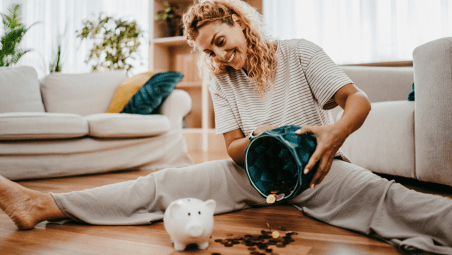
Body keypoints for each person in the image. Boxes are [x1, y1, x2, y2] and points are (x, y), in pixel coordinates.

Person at [0, 0, 451, 253]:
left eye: (220, 42)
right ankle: (41, 204)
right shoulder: (222, 81)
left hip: (318, 167)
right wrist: (260, 144)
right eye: (209, 52)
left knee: (393, 200)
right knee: (163, 183)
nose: (219, 56)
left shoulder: (299, 52)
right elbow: (233, 146)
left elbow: (358, 101)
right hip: (252, 175)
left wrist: (334, 136)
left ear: (238, 22)